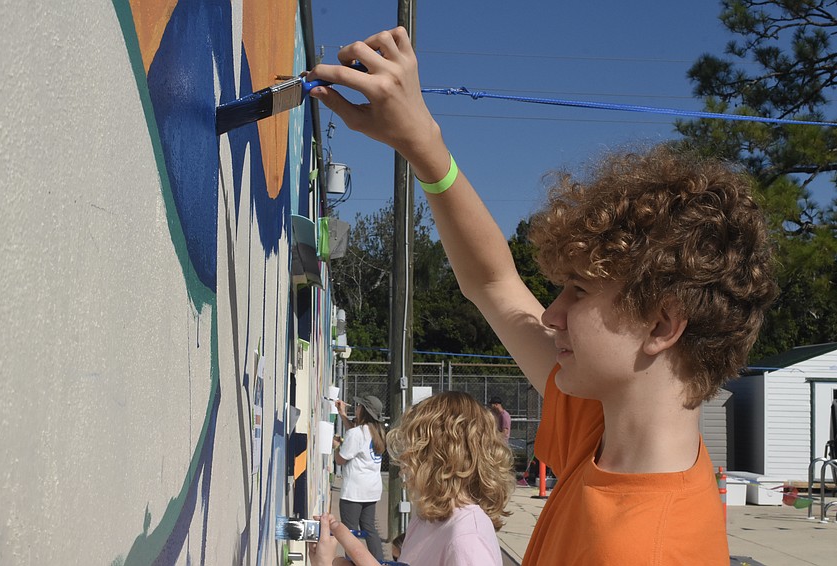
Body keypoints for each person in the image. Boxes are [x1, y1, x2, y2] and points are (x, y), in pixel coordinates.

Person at [308, 27, 779, 564]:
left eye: (578, 292)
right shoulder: (604, 428)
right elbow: (494, 284)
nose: (551, 315)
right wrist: (422, 144)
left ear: (661, 326)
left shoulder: (647, 548)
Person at [311, 391, 514, 566]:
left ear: (442, 461)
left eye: (413, 454)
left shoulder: (467, 539)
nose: (403, 468)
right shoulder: (428, 518)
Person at [333, 395, 386, 560]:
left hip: (354, 491)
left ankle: (353, 562)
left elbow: (340, 459)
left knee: (349, 533)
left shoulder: (357, 433)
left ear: (364, 411)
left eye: (358, 406)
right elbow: (355, 437)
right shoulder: (377, 431)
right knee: (369, 529)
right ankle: (379, 562)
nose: (356, 408)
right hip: (371, 489)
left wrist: (336, 447)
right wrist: (342, 414)